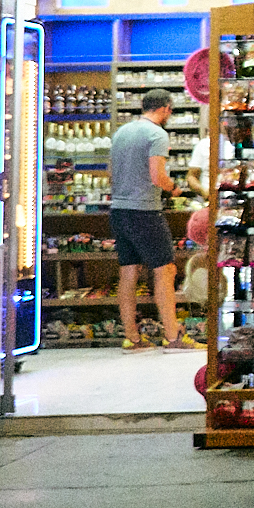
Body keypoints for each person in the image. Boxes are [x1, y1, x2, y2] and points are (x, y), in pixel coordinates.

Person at [110, 89, 201, 352]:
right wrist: (173, 188)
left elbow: (111, 173)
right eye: (170, 111)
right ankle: (173, 337)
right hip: (145, 212)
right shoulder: (157, 134)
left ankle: (132, 338)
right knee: (165, 270)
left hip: (119, 210)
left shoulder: (122, 132)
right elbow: (156, 176)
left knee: (128, 272)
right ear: (164, 108)